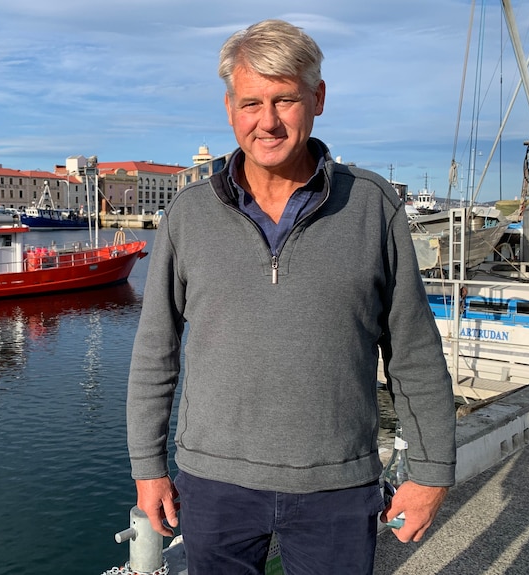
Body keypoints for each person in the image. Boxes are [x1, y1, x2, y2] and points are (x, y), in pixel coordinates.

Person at [126, 18, 457, 575]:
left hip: (337, 484)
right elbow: (155, 351)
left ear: (318, 99)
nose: (268, 122)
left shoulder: (373, 206)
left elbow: (414, 353)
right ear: (230, 107)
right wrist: (147, 466)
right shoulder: (189, 214)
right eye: (252, 103)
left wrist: (431, 471)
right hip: (214, 485)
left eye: (286, 100)